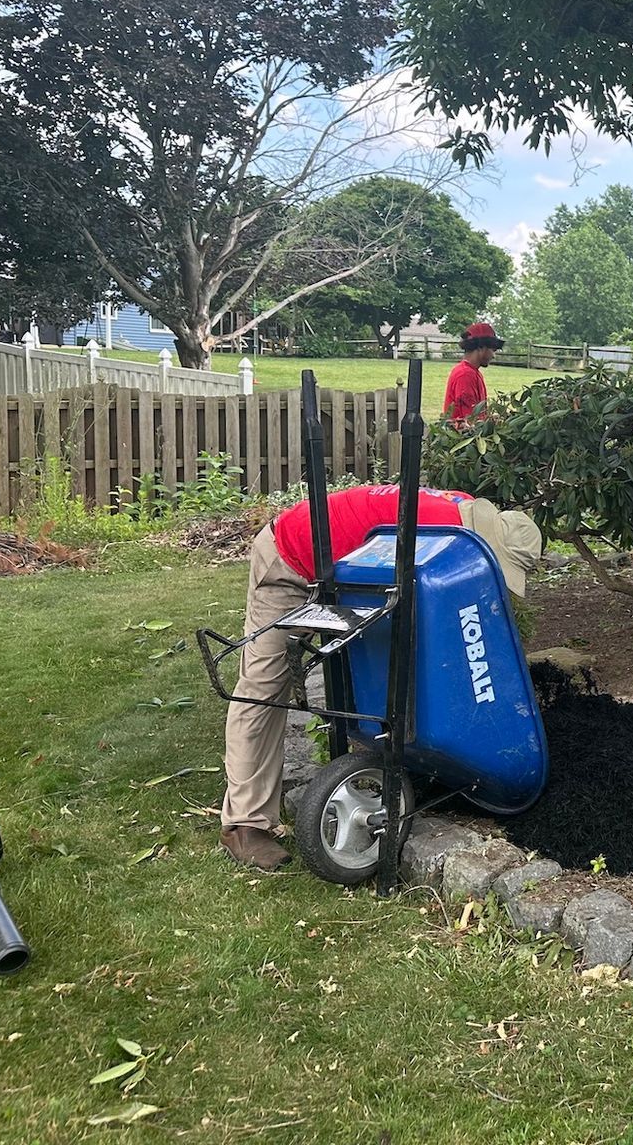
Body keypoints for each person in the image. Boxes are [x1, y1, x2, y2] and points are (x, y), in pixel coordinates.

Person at [219, 483, 541, 870]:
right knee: (263, 687)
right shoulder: (436, 532)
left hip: (341, 565)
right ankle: (244, 824)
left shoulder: (463, 511)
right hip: (291, 559)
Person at [444, 321, 500, 424]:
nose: (493, 356)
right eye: (493, 350)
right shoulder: (465, 375)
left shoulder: (474, 373)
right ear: (481, 347)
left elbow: (479, 416)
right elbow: (470, 421)